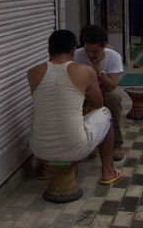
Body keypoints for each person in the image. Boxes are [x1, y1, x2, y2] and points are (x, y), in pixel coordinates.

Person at [28, 30, 122, 185]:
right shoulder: (85, 70)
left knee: (46, 111)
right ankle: (108, 172)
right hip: (74, 149)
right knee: (105, 112)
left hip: (38, 149)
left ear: (49, 50)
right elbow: (98, 105)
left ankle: (43, 169)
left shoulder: (32, 73)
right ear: (74, 50)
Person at [74, 24, 125, 162]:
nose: (90, 55)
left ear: (104, 46)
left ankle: (117, 144)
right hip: (83, 93)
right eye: (88, 50)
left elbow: (111, 87)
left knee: (113, 99)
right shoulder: (77, 55)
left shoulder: (113, 56)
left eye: (95, 51)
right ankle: (86, 143)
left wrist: (98, 69)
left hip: (104, 92)